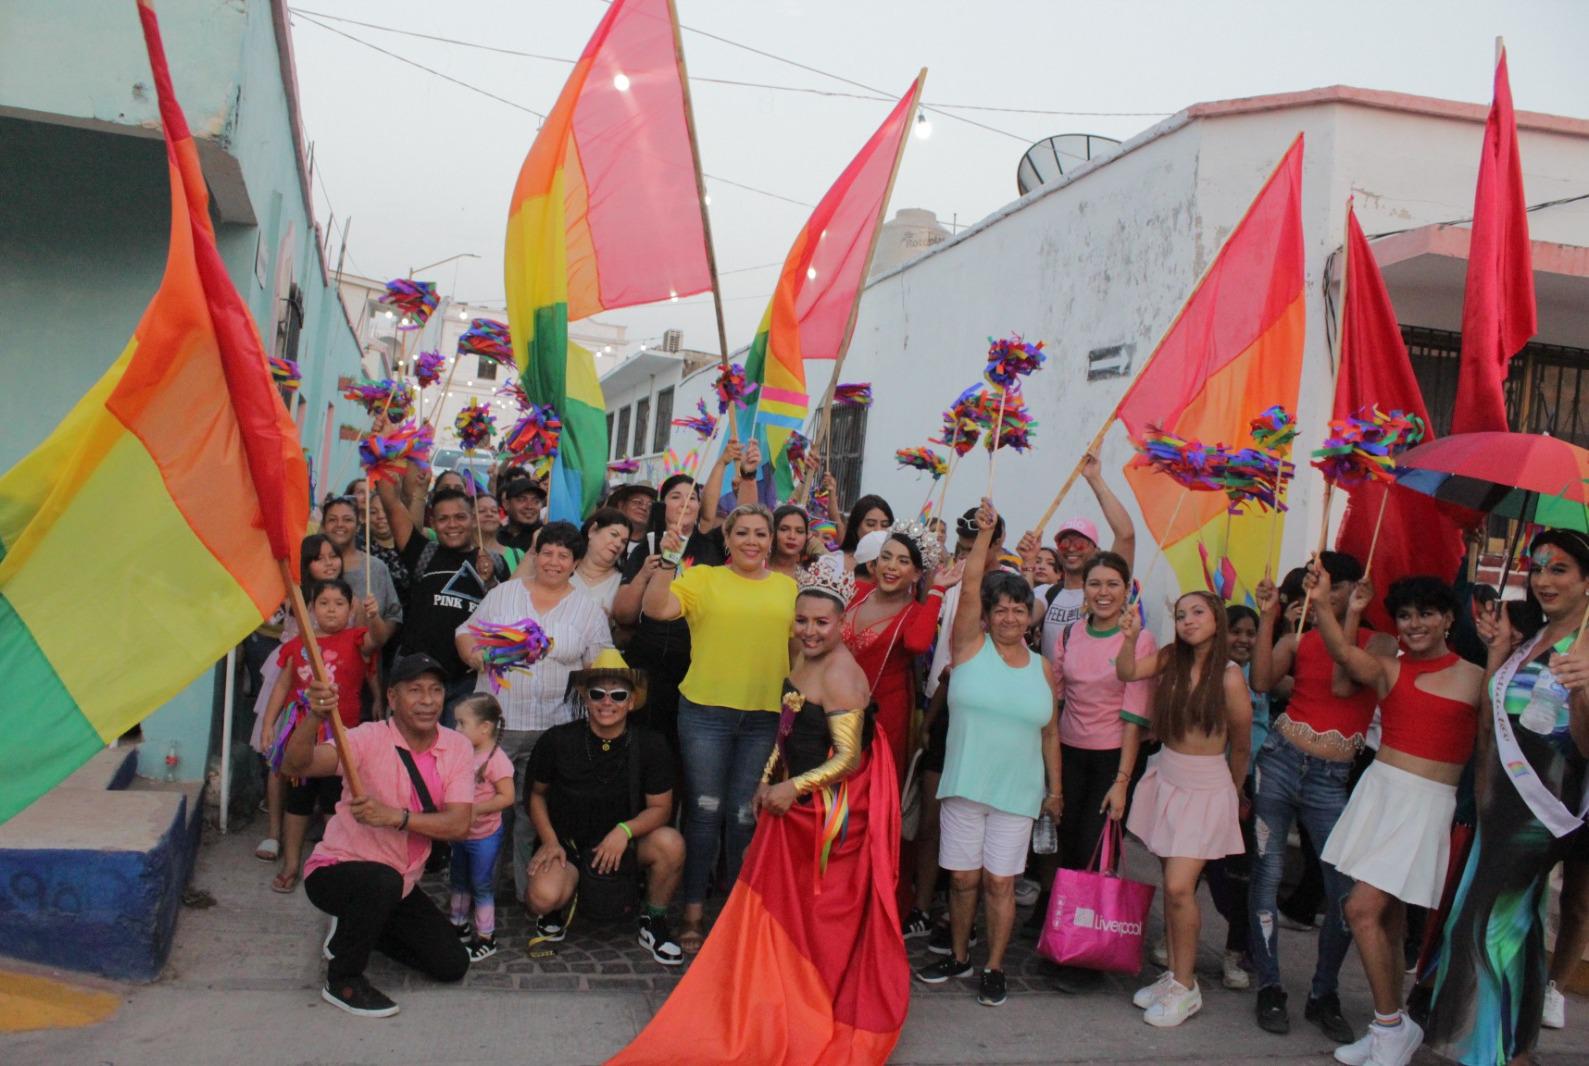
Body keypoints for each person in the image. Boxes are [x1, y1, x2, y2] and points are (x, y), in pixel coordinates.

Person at [611, 568, 909, 1065]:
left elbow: (848, 759)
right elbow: (788, 727)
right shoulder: (801, 656)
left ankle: (814, 995)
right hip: (791, 803)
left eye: (821, 623)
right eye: (802, 621)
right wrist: (767, 781)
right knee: (781, 903)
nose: (810, 631)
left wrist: (791, 787)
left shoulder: (841, 675)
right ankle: (777, 987)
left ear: (840, 625)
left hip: (828, 812)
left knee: (814, 910)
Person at [1304, 572, 1481, 1066]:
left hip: (1427, 805)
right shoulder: (1389, 667)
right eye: (1405, 615)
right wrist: (1323, 603)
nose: (1415, 623)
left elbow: (1494, 745)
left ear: (1448, 618)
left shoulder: (1476, 676)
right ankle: (1392, 1026)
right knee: (1384, 914)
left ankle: (1390, 1027)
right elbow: (1341, 653)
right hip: (1381, 793)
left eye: (1426, 613)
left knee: (1360, 910)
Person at [1427, 529, 1589, 1066]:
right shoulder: (1533, 638)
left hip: (1543, 812)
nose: (1542, 579)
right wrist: (1499, 652)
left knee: (1485, 922)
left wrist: (1583, 692)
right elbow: (1497, 714)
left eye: (1559, 568)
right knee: (1510, 922)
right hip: (1500, 801)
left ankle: (1483, 1052)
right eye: (1536, 567)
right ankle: (1516, 1049)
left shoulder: (1587, 647)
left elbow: (1585, 746)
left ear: (1588, 581)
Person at [915, 499, 1061, 1009]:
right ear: (986, 613)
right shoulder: (968, 647)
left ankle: (995, 967)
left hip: (1018, 792)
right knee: (962, 880)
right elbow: (973, 582)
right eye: (1001, 608)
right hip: (965, 783)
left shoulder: (1042, 668)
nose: (1009, 616)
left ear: (1029, 616)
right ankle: (958, 955)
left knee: (1001, 883)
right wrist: (983, 535)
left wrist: (1055, 790)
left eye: (1020, 609)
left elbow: (1050, 733)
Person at [1250, 550, 1396, 1041]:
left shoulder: (1379, 643)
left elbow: (1341, 680)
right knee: (1267, 876)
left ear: (1355, 587)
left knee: (1343, 893)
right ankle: (1270, 985)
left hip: (1331, 779)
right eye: (1314, 580)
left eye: (1327, 582)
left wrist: (1349, 614)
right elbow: (1261, 680)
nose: (1316, 588)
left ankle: (1323, 992)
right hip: (1280, 761)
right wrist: (1269, 618)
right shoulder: (1299, 639)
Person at [641, 503, 798, 953]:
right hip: (705, 713)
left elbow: (800, 651)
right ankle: (691, 913)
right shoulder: (703, 577)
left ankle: (736, 915)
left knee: (745, 816)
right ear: (726, 539)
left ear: (771, 541)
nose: (752, 540)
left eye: (760, 533)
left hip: (765, 716)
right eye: (743, 532)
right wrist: (668, 563)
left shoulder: (789, 589)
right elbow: (656, 609)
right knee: (705, 813)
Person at [284, 653, 475, 1018]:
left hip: (398, 882)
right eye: (415, 690)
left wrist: (395, 817)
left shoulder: (457, 746)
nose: (428, 700)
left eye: (435, 690)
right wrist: (316, 717)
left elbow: (458, 824)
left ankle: (354, 931)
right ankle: (344, 980)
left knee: (452, 963)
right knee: (380, 882)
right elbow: (296, 765)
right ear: (391, 698)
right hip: (336, 869)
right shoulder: (366, 738)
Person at [456, 521, 613, 905]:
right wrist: (474, 655)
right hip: (497, 728)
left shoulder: (588, 610)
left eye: (563, 555)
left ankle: (531, 894)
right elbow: (466, 632)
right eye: (547, 552)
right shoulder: (504, 595)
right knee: (486, 813)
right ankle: (477, 893)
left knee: (534, 815)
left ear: (575, 563)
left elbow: (598, 670)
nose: (554, 562)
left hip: (552, 731)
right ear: (536, 554)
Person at [1116, 591, 1252, 1027]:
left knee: (1178, 888)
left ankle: (1186, 986)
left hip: (1206, 786)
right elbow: (1127, 672)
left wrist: (1231, 795)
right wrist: (1129, 638)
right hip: (1166, 776)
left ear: (1217, 618)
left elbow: (1242, 746)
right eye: (1181, 614)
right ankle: (1175, 975)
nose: (1188, 620)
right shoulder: (1171, 656)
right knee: (1175, 886)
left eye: (1198, 612)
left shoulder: (1229, 677)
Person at [525, 650, 684, 965]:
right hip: (568, 844)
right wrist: (550, 840)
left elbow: (661, 809)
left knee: (671, 844)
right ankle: (561, 903)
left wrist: (624, 831)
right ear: (585, 697)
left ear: (631, 701)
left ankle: (654, 920)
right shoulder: (558, 741)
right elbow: (536, 795)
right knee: (542, 899)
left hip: (625, 844)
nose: (606, 701)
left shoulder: (651, 744)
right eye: (598, 693)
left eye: (618, 694)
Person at [1041, 552, 1157, 934]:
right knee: (1066, 841)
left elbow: (1134, 716)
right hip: (1069, 752)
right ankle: (1059, 926)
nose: (1103, 592)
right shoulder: (1071, 633)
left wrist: (1123, 781)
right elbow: (1056, 698)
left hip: (1113, 758)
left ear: (1127, 589)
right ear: (1084, 589)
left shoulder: (1140, 640)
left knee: (1094, 845)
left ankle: (1086, 940)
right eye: (1095, 584)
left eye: (1112, 584)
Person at [260, 577, 391, 892]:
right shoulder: (296, 645)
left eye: (339, 604)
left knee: (336, 805)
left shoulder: (358, 638)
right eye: (323, 603)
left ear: (351, 609)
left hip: (340, 743)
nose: (331, 610)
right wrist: (268, 725)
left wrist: (373, 616)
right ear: (310, 609)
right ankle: (292, 864)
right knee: (298, 802)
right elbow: (281, 687)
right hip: (301, 742)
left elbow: (379, 639)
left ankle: (334, 866)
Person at [613, 459, 735, 754]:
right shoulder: (648, 545)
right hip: (650, 661)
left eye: (692, 497)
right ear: (662, 505)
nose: (684, 503)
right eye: (675, 497)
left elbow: (748, 515)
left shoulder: (713, 544)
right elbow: (623, 615)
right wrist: (644, 573)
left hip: (698, 662)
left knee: (687, 751)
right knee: (644, 746)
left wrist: (728, 465)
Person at [253, 534, 347, 865]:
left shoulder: (343, 596)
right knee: (279, 758)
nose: (328, 562)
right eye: (319, 558)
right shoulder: (292, 589)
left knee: (322, 765)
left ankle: (327, 839)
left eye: (333, 555)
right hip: (293, 680)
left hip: (330, 685)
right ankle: (274, 832)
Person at [843, 522, 961, 776]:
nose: (892, 566)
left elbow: (917, 644)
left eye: (903, 561)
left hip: (881, 717)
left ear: (917, 573)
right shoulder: (855, 592)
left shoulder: (915, 613)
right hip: (831, 705)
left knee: (869, 793)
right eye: (886, 557)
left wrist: (937, 590)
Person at [375, 476, 499, 714]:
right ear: (432, 521)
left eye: (460, 517)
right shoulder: (423, 552)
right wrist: (382, 448)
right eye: (443, 519)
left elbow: (505, 614)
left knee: (456, 750)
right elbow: (390, 502)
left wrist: (491, 580)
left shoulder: (495, 563)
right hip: (415, 676)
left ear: (473, 520)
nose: (452, 524)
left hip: (467, 683)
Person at [1199, 603, 1268, 991]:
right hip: (1207, 783)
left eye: (1250, 633)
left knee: (1236, 876)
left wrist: (1238, 789)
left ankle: (1234, 951)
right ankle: (1172, 939)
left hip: (1247, 787)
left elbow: (1245, 744)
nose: (1242, 639)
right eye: (1234, 631)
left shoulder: (1258, 677)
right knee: (1193, 870)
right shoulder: (1209, 674)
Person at [1018, 453, 1136, 663]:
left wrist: (1095, 479)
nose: (1071, 548)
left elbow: (1125, 535)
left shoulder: (1105, 591)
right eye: (1065, 542)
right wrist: (1028, 562)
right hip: (1054, 691)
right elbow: (1024, 618)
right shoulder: (1048, 593)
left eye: (1080, 542)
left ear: (1096, 549)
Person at [448, 693, 515, 963]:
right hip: (461, 832)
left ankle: (487, 936)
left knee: (481, 884)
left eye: (462, 724)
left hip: (484, 835)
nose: (456, 729)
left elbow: (507, 797)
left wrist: (476, 809)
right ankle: (458, 923)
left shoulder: (496, 760)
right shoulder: (462, 753)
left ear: (484, 727)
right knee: (458, 879)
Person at [319, 496, 403, 633]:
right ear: (323, 526)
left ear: (358, 526)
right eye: (332, 520)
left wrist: (376, 639)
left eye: (347, 520)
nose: (340, 524)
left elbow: (393, 614)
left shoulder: (376, 567)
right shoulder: (313, 564)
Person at [572, 507, 630, 614]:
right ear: (592, 530)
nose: (618, 544)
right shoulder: (564, 570)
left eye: (624, 542)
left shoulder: (623, 583)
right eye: (614, 534)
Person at [830, 494, 895, 575]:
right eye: (870, 524)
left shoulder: (897, 566)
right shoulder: (834, 563)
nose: (878, 530)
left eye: (885, 525)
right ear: (856, 526)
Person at [608, 483, 658, 561]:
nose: (644, 508)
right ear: (621, 505)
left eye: (650, 506)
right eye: (638, 502)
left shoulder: (654, 546)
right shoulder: (606, 537)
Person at [497, 477, 546, 554]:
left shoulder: (547, 538)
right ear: (506, 504)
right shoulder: (498, 536)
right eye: (521, 500)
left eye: (536, 501)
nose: (529, 506)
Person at [769, 503, 812, 578]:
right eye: (784, 529)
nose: (792, 536)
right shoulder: (755, 568)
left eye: (799, 531)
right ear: (772, 532)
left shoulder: (806, 580)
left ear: (807, 536)